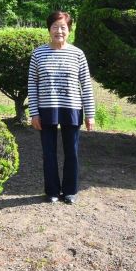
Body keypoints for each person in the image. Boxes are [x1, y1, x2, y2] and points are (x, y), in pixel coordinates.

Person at [28, 11, 95, 204]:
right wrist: (34, 113)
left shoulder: (78, 54)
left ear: (69, 30)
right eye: (55, 27)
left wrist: (90, 114)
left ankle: (70, 191)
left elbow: (86, 85)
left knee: (71, 152)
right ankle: (51, 191)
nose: (59, 31)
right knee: (48, 152)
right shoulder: (38, 53)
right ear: (49, 29)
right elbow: (32, 85)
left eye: (63, 27)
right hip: (46, 109)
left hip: (71, 108)